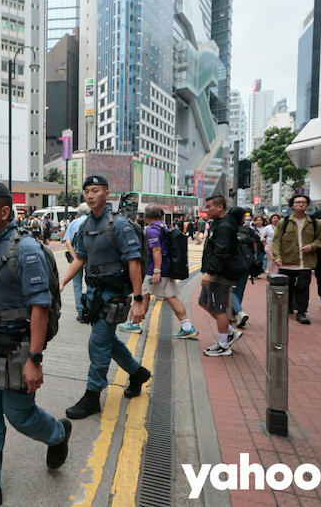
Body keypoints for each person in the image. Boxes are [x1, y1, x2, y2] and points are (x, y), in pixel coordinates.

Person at [0, 182, 71, 507]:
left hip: (18, 348)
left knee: (19, 415)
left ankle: (58, 434)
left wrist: (36, 358)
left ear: (4, 212)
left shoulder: (27, 250)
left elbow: (40, 307)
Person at [59, 175, 151, 419]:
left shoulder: (119, 225)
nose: (90, 195)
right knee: (107, 341)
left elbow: (134, 262)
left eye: (96, 190)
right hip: (96, 293)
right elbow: (80, 257)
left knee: (97, 344)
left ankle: (92, 397)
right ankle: (137, 372)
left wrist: (139, 300)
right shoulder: (85, 225)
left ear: (106, 193)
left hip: (114, 293)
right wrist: (63, 281)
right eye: (87, 191)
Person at [121, 204, 198, 339]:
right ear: (161, 215)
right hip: (166, 268)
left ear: (145, 217)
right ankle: (187, 326)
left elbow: (156, 250)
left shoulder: (152, 230)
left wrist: (157, 271)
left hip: (155, 270)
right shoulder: (162, 226)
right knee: (171, 297)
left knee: (143, 294)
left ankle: (134, 324)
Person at [196, 196, 243, 356]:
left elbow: (221, 252)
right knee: (203, 302)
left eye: (209, 207)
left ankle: (223, 345)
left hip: (219, 273)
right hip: (214, 271)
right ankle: (229, 331)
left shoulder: (224, 226)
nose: (207, 210)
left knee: (219, 308)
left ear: (220, 207)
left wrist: (210, 272)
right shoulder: (218, 223)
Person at [271, 195, 321, 324]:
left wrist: (312, 246)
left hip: (306, 262)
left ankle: (301, 312)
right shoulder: (284, 222)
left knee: (303, 287)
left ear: (307, 205)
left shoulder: (314, 223)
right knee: (287, 287)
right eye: (297, 202)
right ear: (292, 205)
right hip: (287, 261)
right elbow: (276, 241)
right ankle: (289, 307)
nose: (301, 205)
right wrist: (277, 257)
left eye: (303, 202)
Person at [229, 207, 260, 328]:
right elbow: (256, 245)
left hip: (231, 264)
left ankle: (238, 312)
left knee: (228, 288)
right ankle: (236, 313)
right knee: (239, 289)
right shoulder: (248, 230)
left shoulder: (227, 229)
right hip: (246, 264)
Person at [63, 203, 89, 323]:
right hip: (90, 259)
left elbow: (68, 242)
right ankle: (90, 310)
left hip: (76, 258)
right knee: (92, 284)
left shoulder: (73, 223)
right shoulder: (91, 222)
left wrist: (76, 258)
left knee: (77, 285)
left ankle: (80, 312)